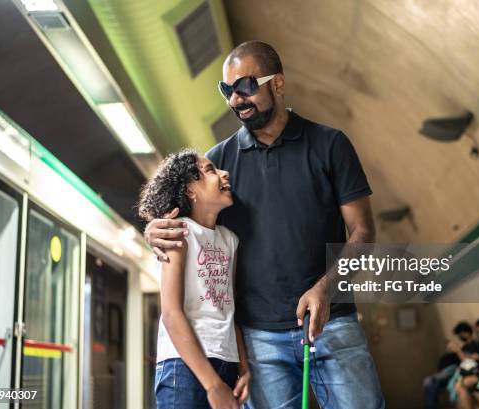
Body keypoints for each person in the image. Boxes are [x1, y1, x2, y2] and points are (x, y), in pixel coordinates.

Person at [144, 41, 385, 408]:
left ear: (278, 84)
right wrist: (152, 231)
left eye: (246, 86)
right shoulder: (220, 162)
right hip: (258, 341)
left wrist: (325, 289)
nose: (236, 99)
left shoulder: (330, 145)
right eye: (227, 90)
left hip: (333, 324)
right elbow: (188, 224)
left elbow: (363, 234)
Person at [138, 149, 250, 409]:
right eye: (211, 170)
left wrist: (243, 366)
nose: (224, 174)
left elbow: (229, 309)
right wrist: (212, 385)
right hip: (183, 365)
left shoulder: (230, 240)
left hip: (226, 361)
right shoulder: (178, 232)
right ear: (190, 190)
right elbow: (171, 313)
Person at [424, 321, 479, 409]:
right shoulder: (464, 347)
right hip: (456, 369)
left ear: (466, 333)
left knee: (431, 381)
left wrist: (457, 350)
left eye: (461, 334)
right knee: (429, 382)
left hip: (462, 370)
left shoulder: (475, 346)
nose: (460, 337)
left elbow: (468, 362)